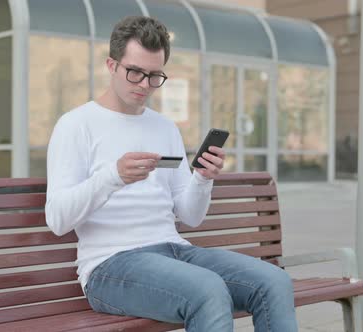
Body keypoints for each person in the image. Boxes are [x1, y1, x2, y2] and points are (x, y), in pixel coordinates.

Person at [45, 15, 298, 332]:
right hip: (110, 265)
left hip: (174, 250)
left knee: (273, 281)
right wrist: (114, 176)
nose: (144, 85)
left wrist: (203, 178)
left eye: (154, 76)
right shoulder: (76, 125)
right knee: (208, 290)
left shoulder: (164, 127)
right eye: (134, 72)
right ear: (111, 65)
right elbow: (57, 219)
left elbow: (190, 216)